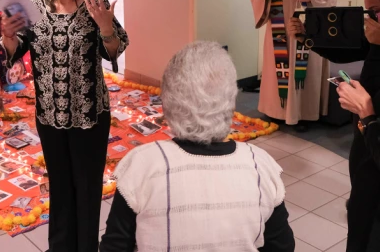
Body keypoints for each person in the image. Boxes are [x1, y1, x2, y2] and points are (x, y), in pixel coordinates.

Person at [100, 41, 294, 252]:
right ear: (231, 101)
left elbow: (114, 247)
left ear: (166, 104)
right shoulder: (261, 165)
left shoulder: (142, 166)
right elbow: (282, 246)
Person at [1, 0, 129, 252]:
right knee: (60, 186)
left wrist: (106, 27)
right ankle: (60, 247)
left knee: (87, 187)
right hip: (50, 115)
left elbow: (114, 48)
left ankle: (86, 247)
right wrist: (6, 33)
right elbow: (15, 50)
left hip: (90, 114)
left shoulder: (95, 3)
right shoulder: (30, 6)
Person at [288, 0, 380, 251]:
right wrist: (307, 37)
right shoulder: (375, 35)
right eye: (368, 12)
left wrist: (367, 112)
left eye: (375, 11)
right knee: (360, 208)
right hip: (366, 139)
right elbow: (347, 49)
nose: (369, 19)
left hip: (374, 136)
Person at [250, 0, 336, 131]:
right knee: (279, 69)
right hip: (279, 27)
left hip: (308, 28)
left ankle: (303, 115)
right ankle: (277, 112)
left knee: (306, 71)